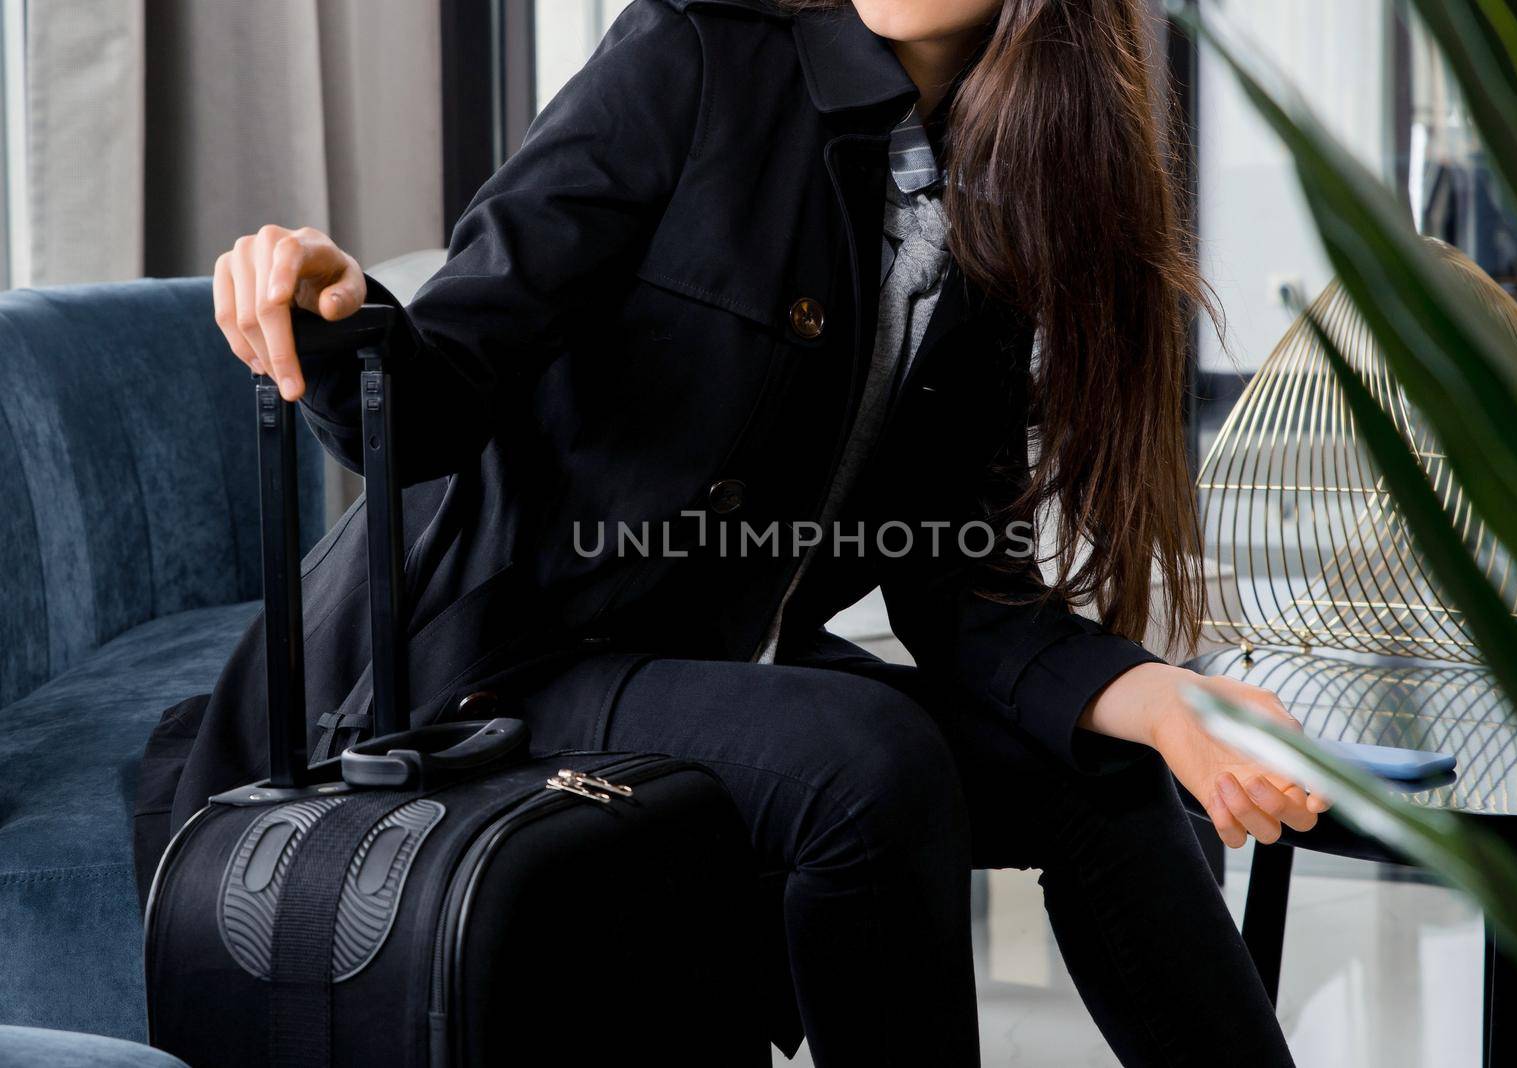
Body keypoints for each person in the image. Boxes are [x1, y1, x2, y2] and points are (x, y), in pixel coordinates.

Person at [141, 1, 1326, 1063]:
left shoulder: (1001, 178)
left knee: (1104, 772)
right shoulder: (692, 54)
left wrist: (1160, 701)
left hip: (701, 658)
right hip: (494, 658)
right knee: (864, 755)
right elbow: (447, 381)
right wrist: (337, 311)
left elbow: (959, 589)